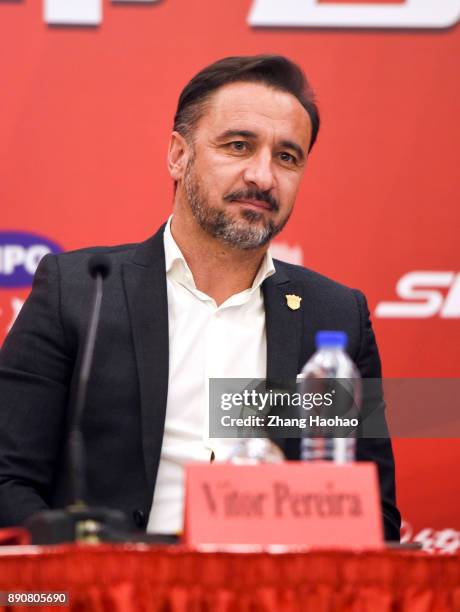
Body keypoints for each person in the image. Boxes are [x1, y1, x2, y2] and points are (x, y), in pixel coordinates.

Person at [0, 55, 400, 540]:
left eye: (287, 157)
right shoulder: (80, 290)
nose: (263, 176)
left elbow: (374, 515)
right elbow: (8, 480)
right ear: (178, 155)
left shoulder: (334, 319)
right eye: (238, 146)